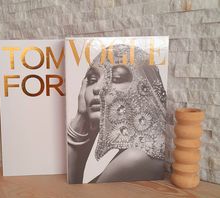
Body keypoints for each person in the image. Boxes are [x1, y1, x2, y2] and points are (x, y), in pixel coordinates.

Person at [67, 44, 166, 184]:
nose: (97, 88)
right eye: (92, 80)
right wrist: (81, 118)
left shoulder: (136, 158)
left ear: (145, 89)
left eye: (116, 78)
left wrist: (80, 124)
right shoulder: (146, 146)